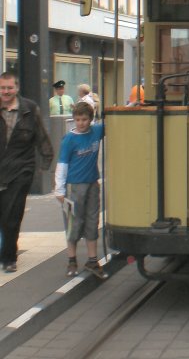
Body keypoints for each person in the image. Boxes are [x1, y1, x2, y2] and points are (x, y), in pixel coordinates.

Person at [0, 71, 54, 273]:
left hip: (21, 170)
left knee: (11, 215)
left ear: (17, 88)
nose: (5, 92)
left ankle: (9, 258)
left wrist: (45, 165)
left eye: (9, 88)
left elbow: (41, 136)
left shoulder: (29, 110)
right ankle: (6, 250)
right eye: (2, 88)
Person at [54, 102, 106, 278]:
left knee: (92, 220)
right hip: (73, 186)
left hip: (92, 184)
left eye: (84, 119)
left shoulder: (96, 131)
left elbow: (113, 122)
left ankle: (92, 259)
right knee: (73, 223)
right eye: (77, 120)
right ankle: (72, 259)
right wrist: (59, 189)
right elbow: (62, 164)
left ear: (91, 119)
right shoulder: (69, 139)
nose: (81, 123)